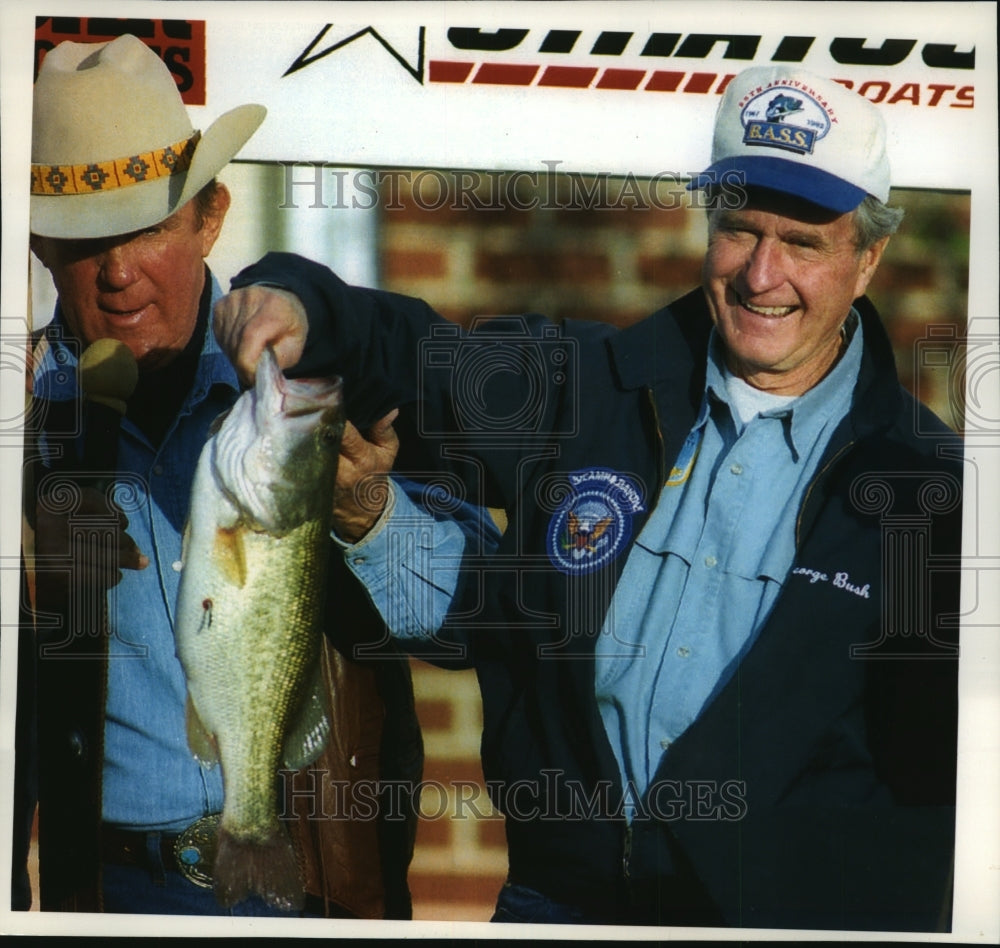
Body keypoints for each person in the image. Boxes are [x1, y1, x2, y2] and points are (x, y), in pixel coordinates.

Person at [216, 65, 964, 932]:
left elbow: (939, 800)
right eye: (739, 231)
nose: (762, 274)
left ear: (867, 258)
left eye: (803, 241)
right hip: (555, 905)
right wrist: (305, 306)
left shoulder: (928, 491)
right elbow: (419, 357)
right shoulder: (588, 386)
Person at [16, 33, 423, 917]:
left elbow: (457, 622)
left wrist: (368, 513)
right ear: (39, 246)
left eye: (150, 227)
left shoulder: (308, 383)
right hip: (108, 887)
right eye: (86, 240)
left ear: (210, 218)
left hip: (306, 878)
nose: (119, 272)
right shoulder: (20, 424)